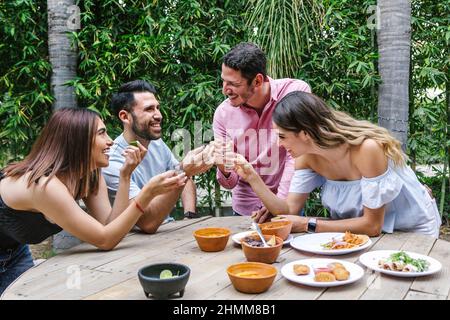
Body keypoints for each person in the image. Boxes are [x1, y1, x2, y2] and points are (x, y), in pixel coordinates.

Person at [0, 108, 187, 294]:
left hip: (14, 250)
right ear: (77, 141)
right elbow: (105, 240)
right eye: (101, 133)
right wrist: (146, 195)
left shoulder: (89, 174)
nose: (110, 141)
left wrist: (125, 176)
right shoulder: (45, 185)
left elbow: (111, 225)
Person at [233, 91, 441, 238]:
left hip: (412, 229)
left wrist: (308, 224)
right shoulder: (306, 157)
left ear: (305, 133)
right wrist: (252, 176)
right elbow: (290, 209)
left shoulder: (366, 149)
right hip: (364, 235)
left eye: (283, 136)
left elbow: (372, 225)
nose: (279, 143)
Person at [213, 42, 311, 219]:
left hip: (286, 207)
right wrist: (224, 167)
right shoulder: (222, 113)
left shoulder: (294, 92)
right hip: (243, 211)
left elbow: (297, 155)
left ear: (257, 80)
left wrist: (279, 204)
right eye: (223, 81)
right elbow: (229, 182)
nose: (225, 90)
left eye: (233, 83)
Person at [103, 80, 213, 234]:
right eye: (149, 109)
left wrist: (189, 215)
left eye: (157, 108)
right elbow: (147, 223)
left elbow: (181, 176)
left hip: (167, 230)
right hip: (134, 242)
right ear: (125, 117)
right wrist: (185, 171)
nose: (159, 115)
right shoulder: (112, 162)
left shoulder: (156, 143)